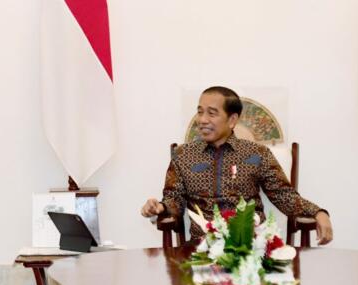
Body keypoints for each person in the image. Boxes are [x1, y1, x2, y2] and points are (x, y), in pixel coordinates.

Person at [141, 86, 333, 244]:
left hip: (252, 246)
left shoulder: (257, 154)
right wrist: (160, 207)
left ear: (232, 120)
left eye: (212, 113)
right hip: (202, 247)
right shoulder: (183, 155)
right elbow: (174, 200)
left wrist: (318, 213)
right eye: (200, 112)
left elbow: (284, 196)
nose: (202, 120)